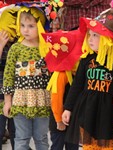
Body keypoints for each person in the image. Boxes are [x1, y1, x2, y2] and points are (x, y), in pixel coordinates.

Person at [62, 0, 113, 149]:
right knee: (88, 146)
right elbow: (77, 85)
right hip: (88, 110)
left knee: (109, 146)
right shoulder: (86, 59)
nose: (90, 39)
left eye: (96, 36)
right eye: (89, 35)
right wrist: (68, 108)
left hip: (110, 112)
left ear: (108, 39)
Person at [2, 3, 51, 150]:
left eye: (30, 26)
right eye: (22, 25)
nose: (25, 30)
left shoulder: (46, 49)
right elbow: (8, 75)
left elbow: (52, 76)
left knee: (41, 138)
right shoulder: (15, 49)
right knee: (21, 138)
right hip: (20, 100)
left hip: (42, 100)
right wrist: (7, 101)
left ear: (40, 25)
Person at [42, 29, 84, 150]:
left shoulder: (75, 72)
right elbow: (56, 98)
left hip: (72, 121)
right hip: (59, 122)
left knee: (72, 147)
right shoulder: (61, 74)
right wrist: (59, 121)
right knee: (57, 146)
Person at [0, 5, 20, 150]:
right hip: (0, 94)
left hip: (17, 94)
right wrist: (1, 45)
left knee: (16, 132)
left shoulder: (20, 43)